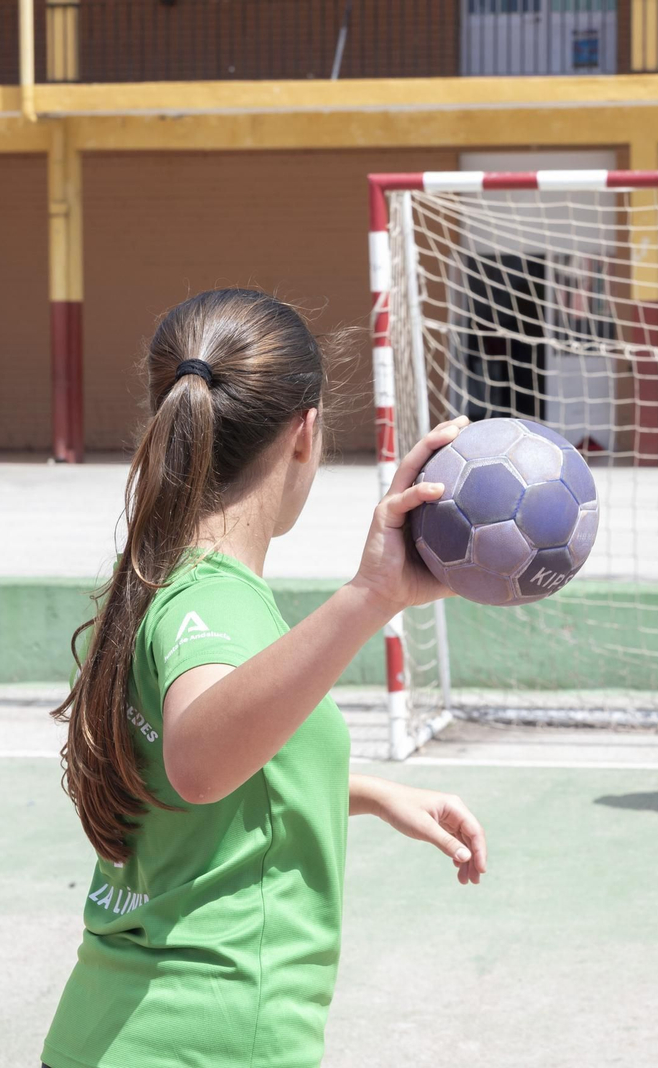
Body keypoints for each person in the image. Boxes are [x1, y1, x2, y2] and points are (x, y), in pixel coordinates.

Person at [41, 289, 487, 1068]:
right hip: (206, 1040)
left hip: (106, 1030)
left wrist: (363, 792)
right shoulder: (216, 600)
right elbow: (198, 759)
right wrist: (370, 595)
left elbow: (193, 772)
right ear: (305, 433)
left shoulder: (155, 575)